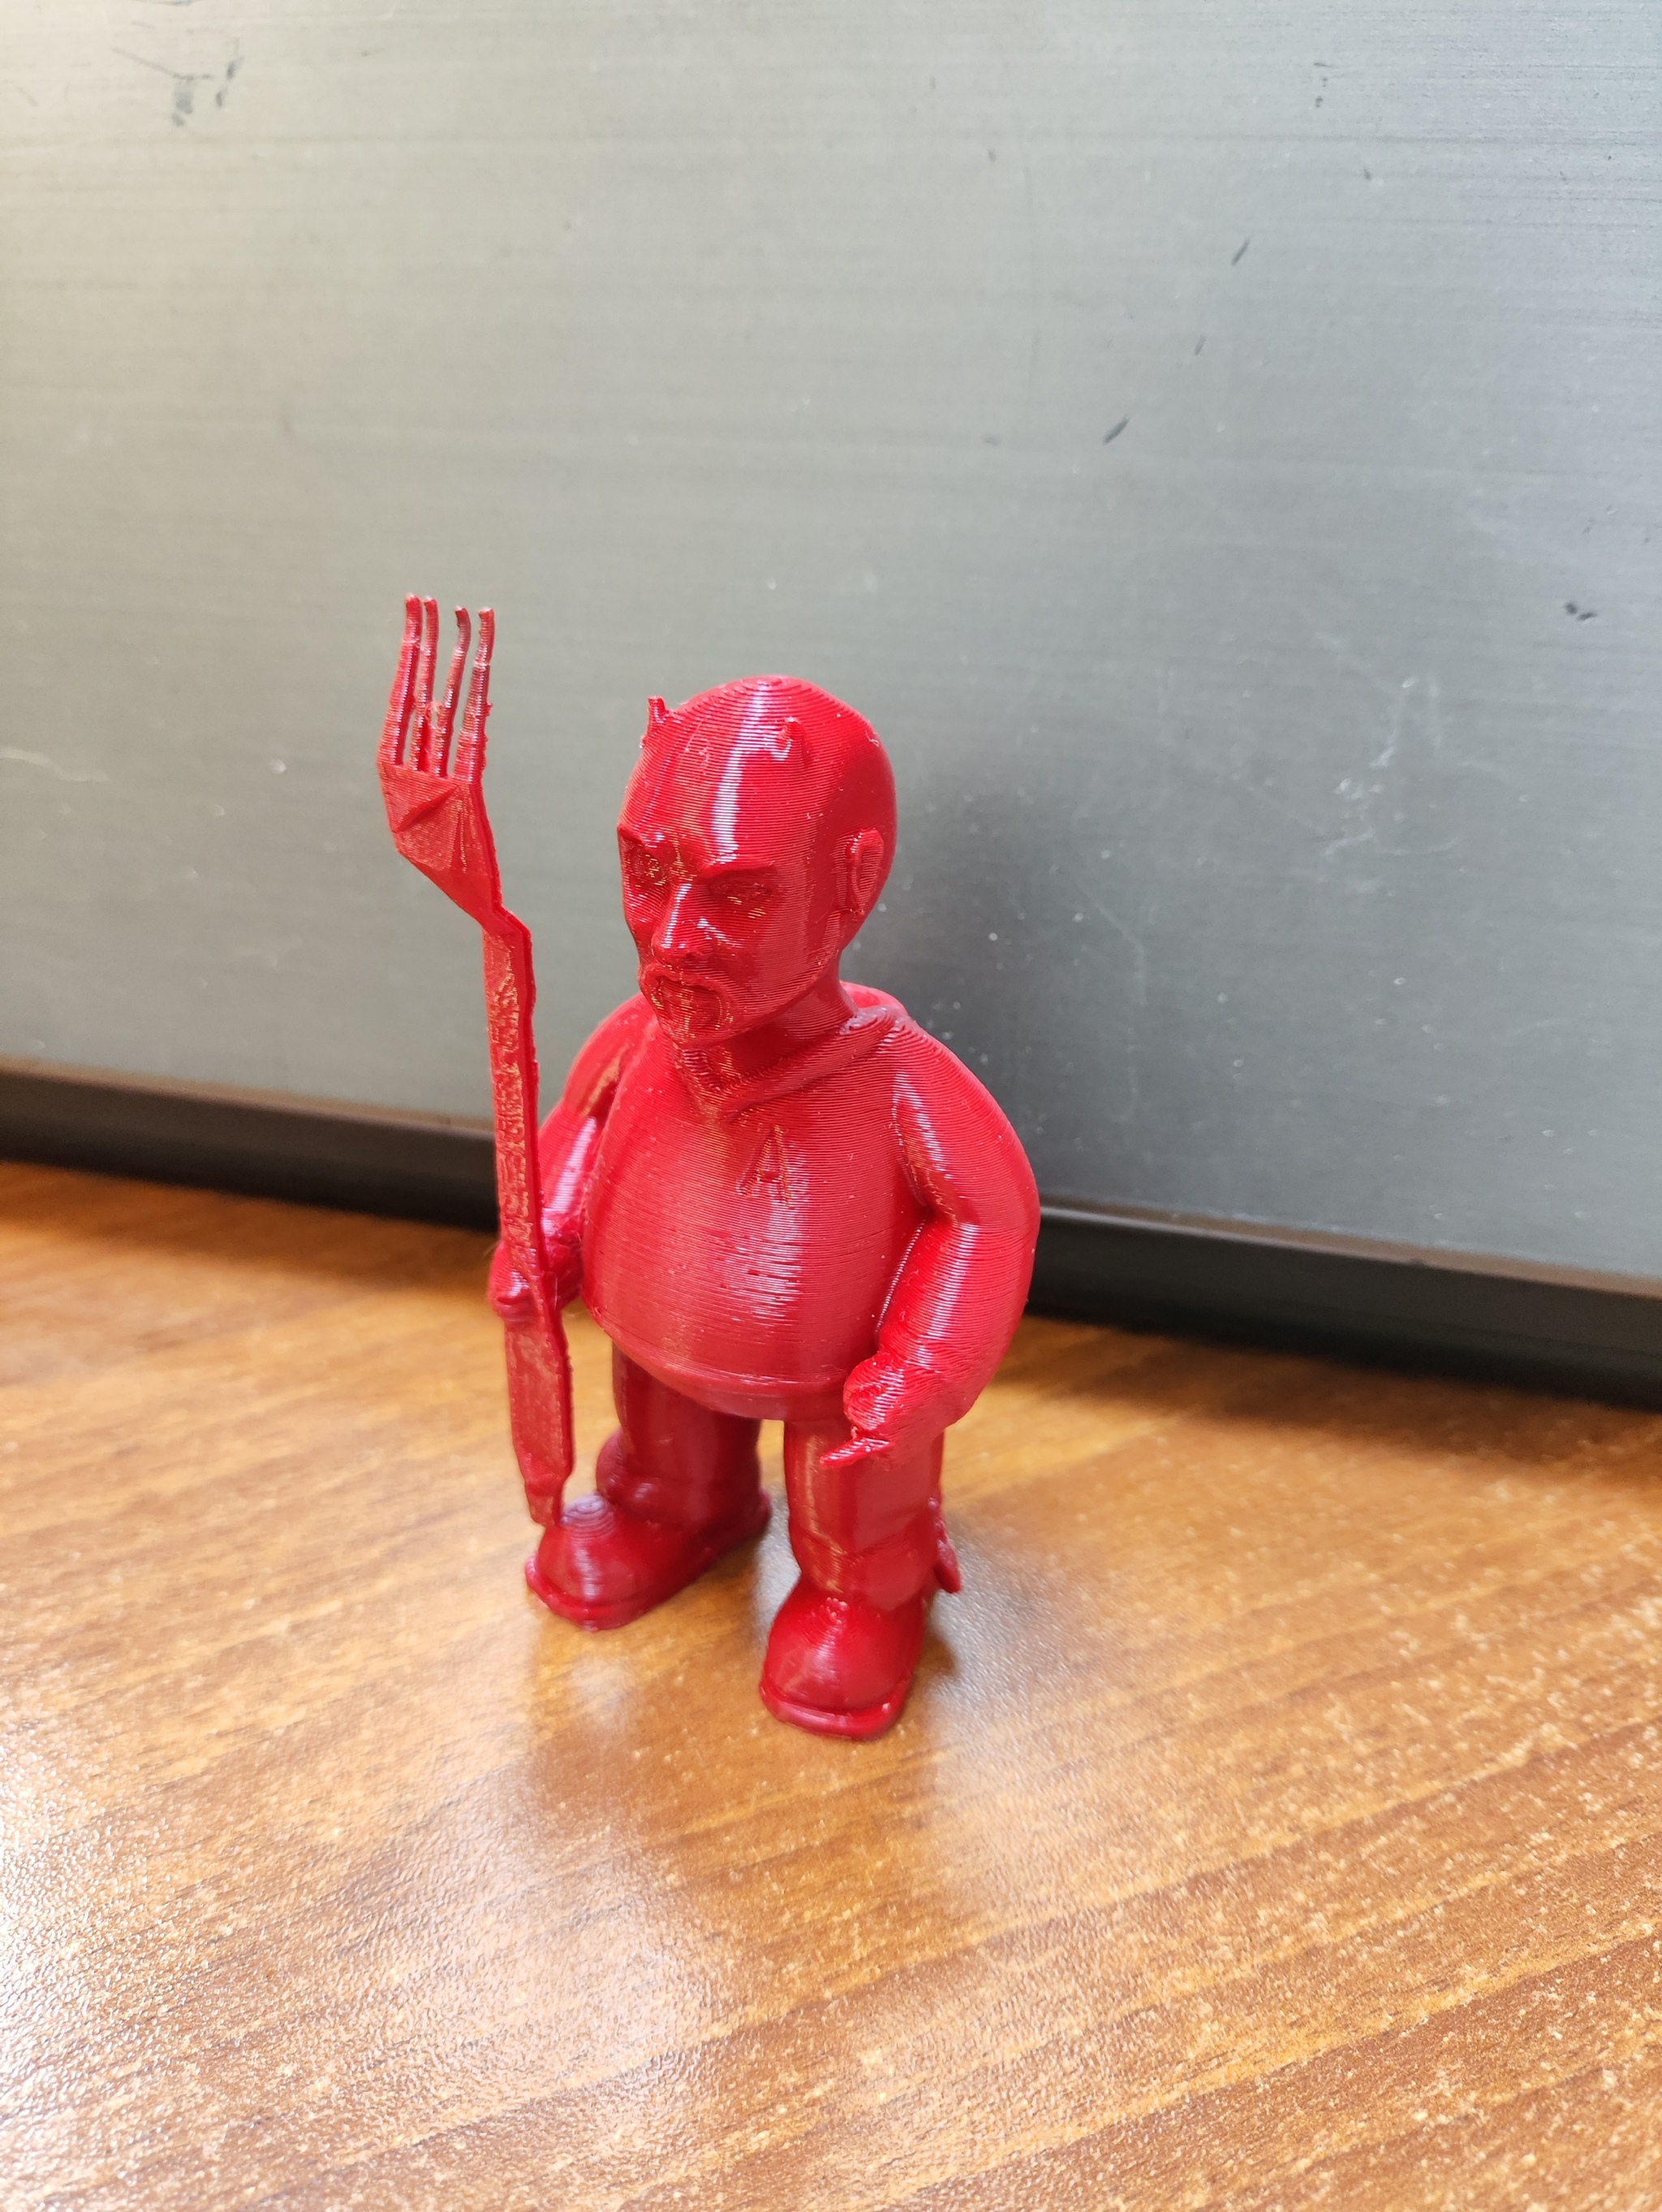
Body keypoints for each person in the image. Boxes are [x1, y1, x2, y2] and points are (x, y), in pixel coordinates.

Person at [487, 676, 1040, 1737]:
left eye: (738, 896)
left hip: (844, 1379)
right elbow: (578, 1127)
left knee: (858, 1489)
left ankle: (865, 1588)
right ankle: (669, 1505)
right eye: (647, 874)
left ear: (852, 884)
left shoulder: (902, 1084)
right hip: (657, 1341)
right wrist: (544, 1233)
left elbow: (989, 1219)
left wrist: (922, 1367)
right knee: (663, 1435)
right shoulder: (638, 1037)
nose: (673, 935)